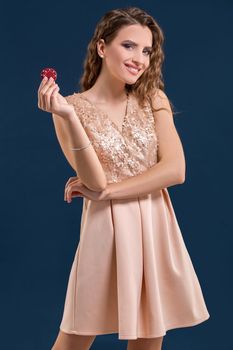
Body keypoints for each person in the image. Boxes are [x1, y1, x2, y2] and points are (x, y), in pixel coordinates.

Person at [37, 6, 210, 350]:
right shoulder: (68, 109)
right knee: (74, 337)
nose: (140, 59)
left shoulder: (153, 99)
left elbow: (175, 170)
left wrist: (109, 192)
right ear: (102, 47)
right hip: (105, 231)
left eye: (146, 50)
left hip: (155, 227)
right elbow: (95, 182)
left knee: (149, 337)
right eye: (129, 46)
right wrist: (70, 118)